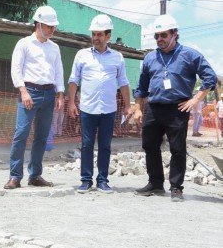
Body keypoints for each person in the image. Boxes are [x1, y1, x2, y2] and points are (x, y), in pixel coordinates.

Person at [131, 14, 217, 202]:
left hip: (178, 109)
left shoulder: (190, 55)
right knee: (149, 145)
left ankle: (176, 187)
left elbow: (210, 77)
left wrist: (196, 100)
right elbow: (141, 86)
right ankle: (155, 183)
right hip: (153, 108)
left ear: (174, 34)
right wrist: (137, 107)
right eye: (156, 36)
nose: (159, 39)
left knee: (177, 148)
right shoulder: (150, 58)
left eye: (163, 35)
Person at [67, 15, 131, 194]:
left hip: (109, 110)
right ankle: (86, 180)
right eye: (93, 34)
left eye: (100, 34)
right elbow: (74, 79)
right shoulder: (82, 55)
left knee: (105, 146)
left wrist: (127, 106)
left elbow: (123, 83)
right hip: (87, 108)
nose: (95, 38)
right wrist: (71, 102)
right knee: (86, 145)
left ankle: (102, 180)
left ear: (108, 36)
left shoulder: (117, 57)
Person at [4, 6, 65, 189]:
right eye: (49, 26)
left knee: (42, 136)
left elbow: (59, 71)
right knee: (21, 134)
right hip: (29, 93)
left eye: (54, 27)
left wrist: (60, 94)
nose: (52, 30)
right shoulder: (24, 44)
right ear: (38, 24)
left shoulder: (55, 48)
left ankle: (35, 175)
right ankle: (15, 176)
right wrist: (23, 91)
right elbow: (16, 69)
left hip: (49, 94)